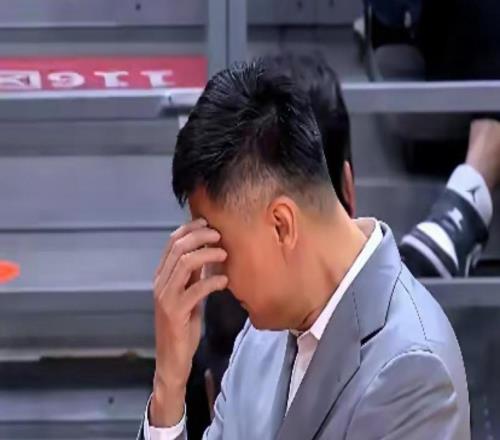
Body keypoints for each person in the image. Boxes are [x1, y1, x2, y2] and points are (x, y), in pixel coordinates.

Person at [138, 59, 471, 439]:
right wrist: (168, 387)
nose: (215, 274)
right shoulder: (259, 335)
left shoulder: (413, 368)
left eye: (220, 246)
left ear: (282, 225)